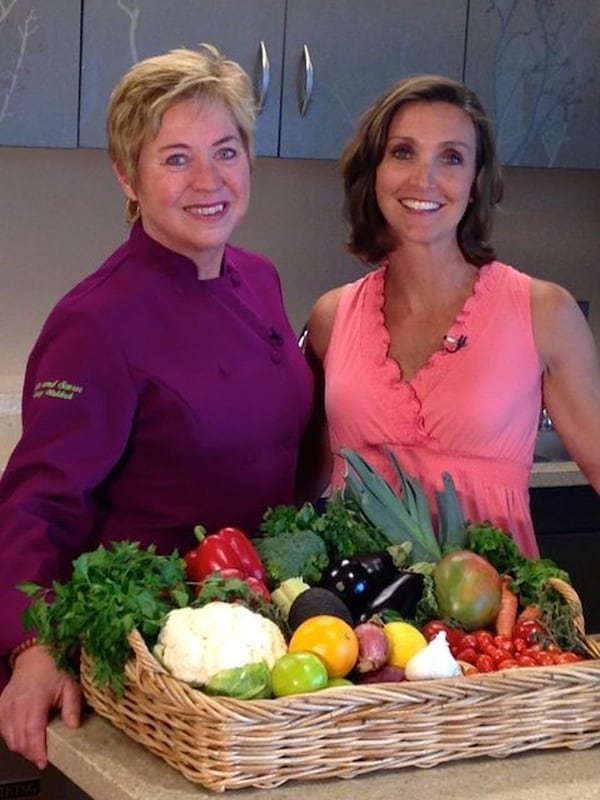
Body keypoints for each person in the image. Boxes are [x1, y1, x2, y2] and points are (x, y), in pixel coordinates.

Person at [0, 45, 313, 767]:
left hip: (261, 645)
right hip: (151, 656)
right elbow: (37, 506)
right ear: (127, 175)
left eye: (225, 151)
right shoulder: (97, 321)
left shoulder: (259, 280)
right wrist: (34, 646)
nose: (208, 181)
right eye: (175, 158)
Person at [305, 74, 600, 559]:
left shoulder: (543, 312)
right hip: (356, 623)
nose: (424, 179)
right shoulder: (332, 317)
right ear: (373, 171)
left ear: (476, 181)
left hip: (493, 623)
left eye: (452, 157)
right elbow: (300, 483)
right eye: (403, 152)